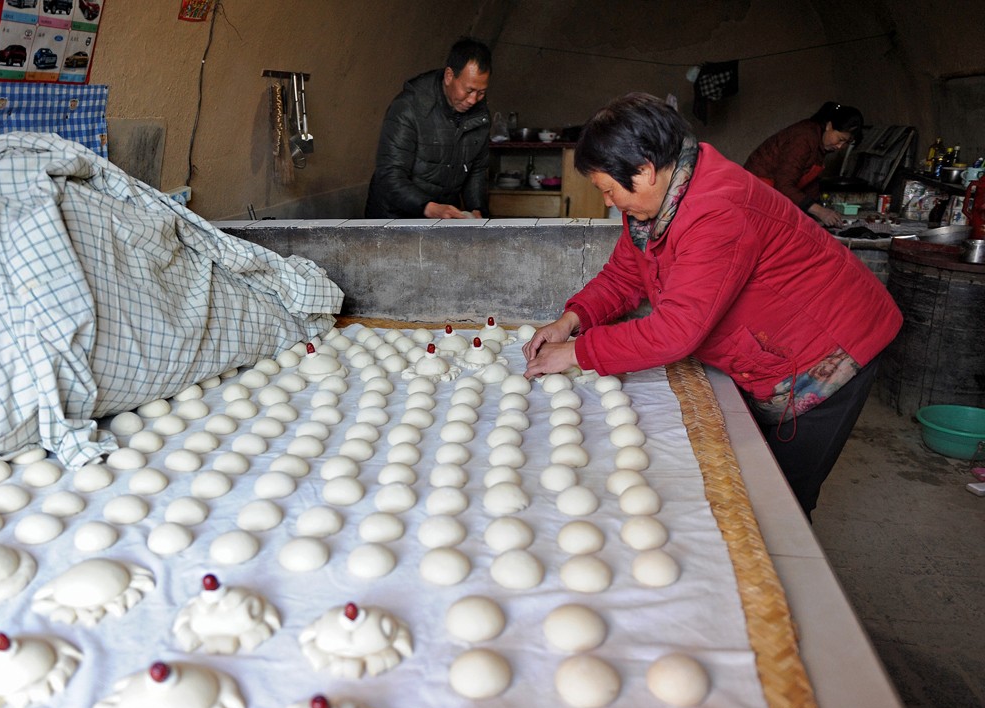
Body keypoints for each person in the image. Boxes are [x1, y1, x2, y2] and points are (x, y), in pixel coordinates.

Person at [522, 93, 900, 519]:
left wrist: (575, 353)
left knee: (782, 501)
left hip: (829, 347)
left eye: (608, 189)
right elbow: (625, 276)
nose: (609, 202)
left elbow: (677, 331)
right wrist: (572, 319)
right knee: (753, 478)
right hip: (770, 342)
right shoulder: (655, 205)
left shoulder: (716, 209)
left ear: (644, 170)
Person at [364, 37, 492, 219]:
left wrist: (477, 209)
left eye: (481, 92)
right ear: (449, 76)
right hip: (393, 219)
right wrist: (429, 208)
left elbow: (476, 170)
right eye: (469, 90)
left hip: (441, 218)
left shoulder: (480, 116)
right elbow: (389, 175)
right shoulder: (409, 108)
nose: (473, 100)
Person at [743, 101, 863, 227]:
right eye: (840, 139)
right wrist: (819, 211)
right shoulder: (803, 138)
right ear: (829, 126)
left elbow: (809, 184)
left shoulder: (820, 143)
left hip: (775, 196)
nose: (840, 146)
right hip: (758, 195)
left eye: (845, 144)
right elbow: (783, 185)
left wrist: (818, 210)